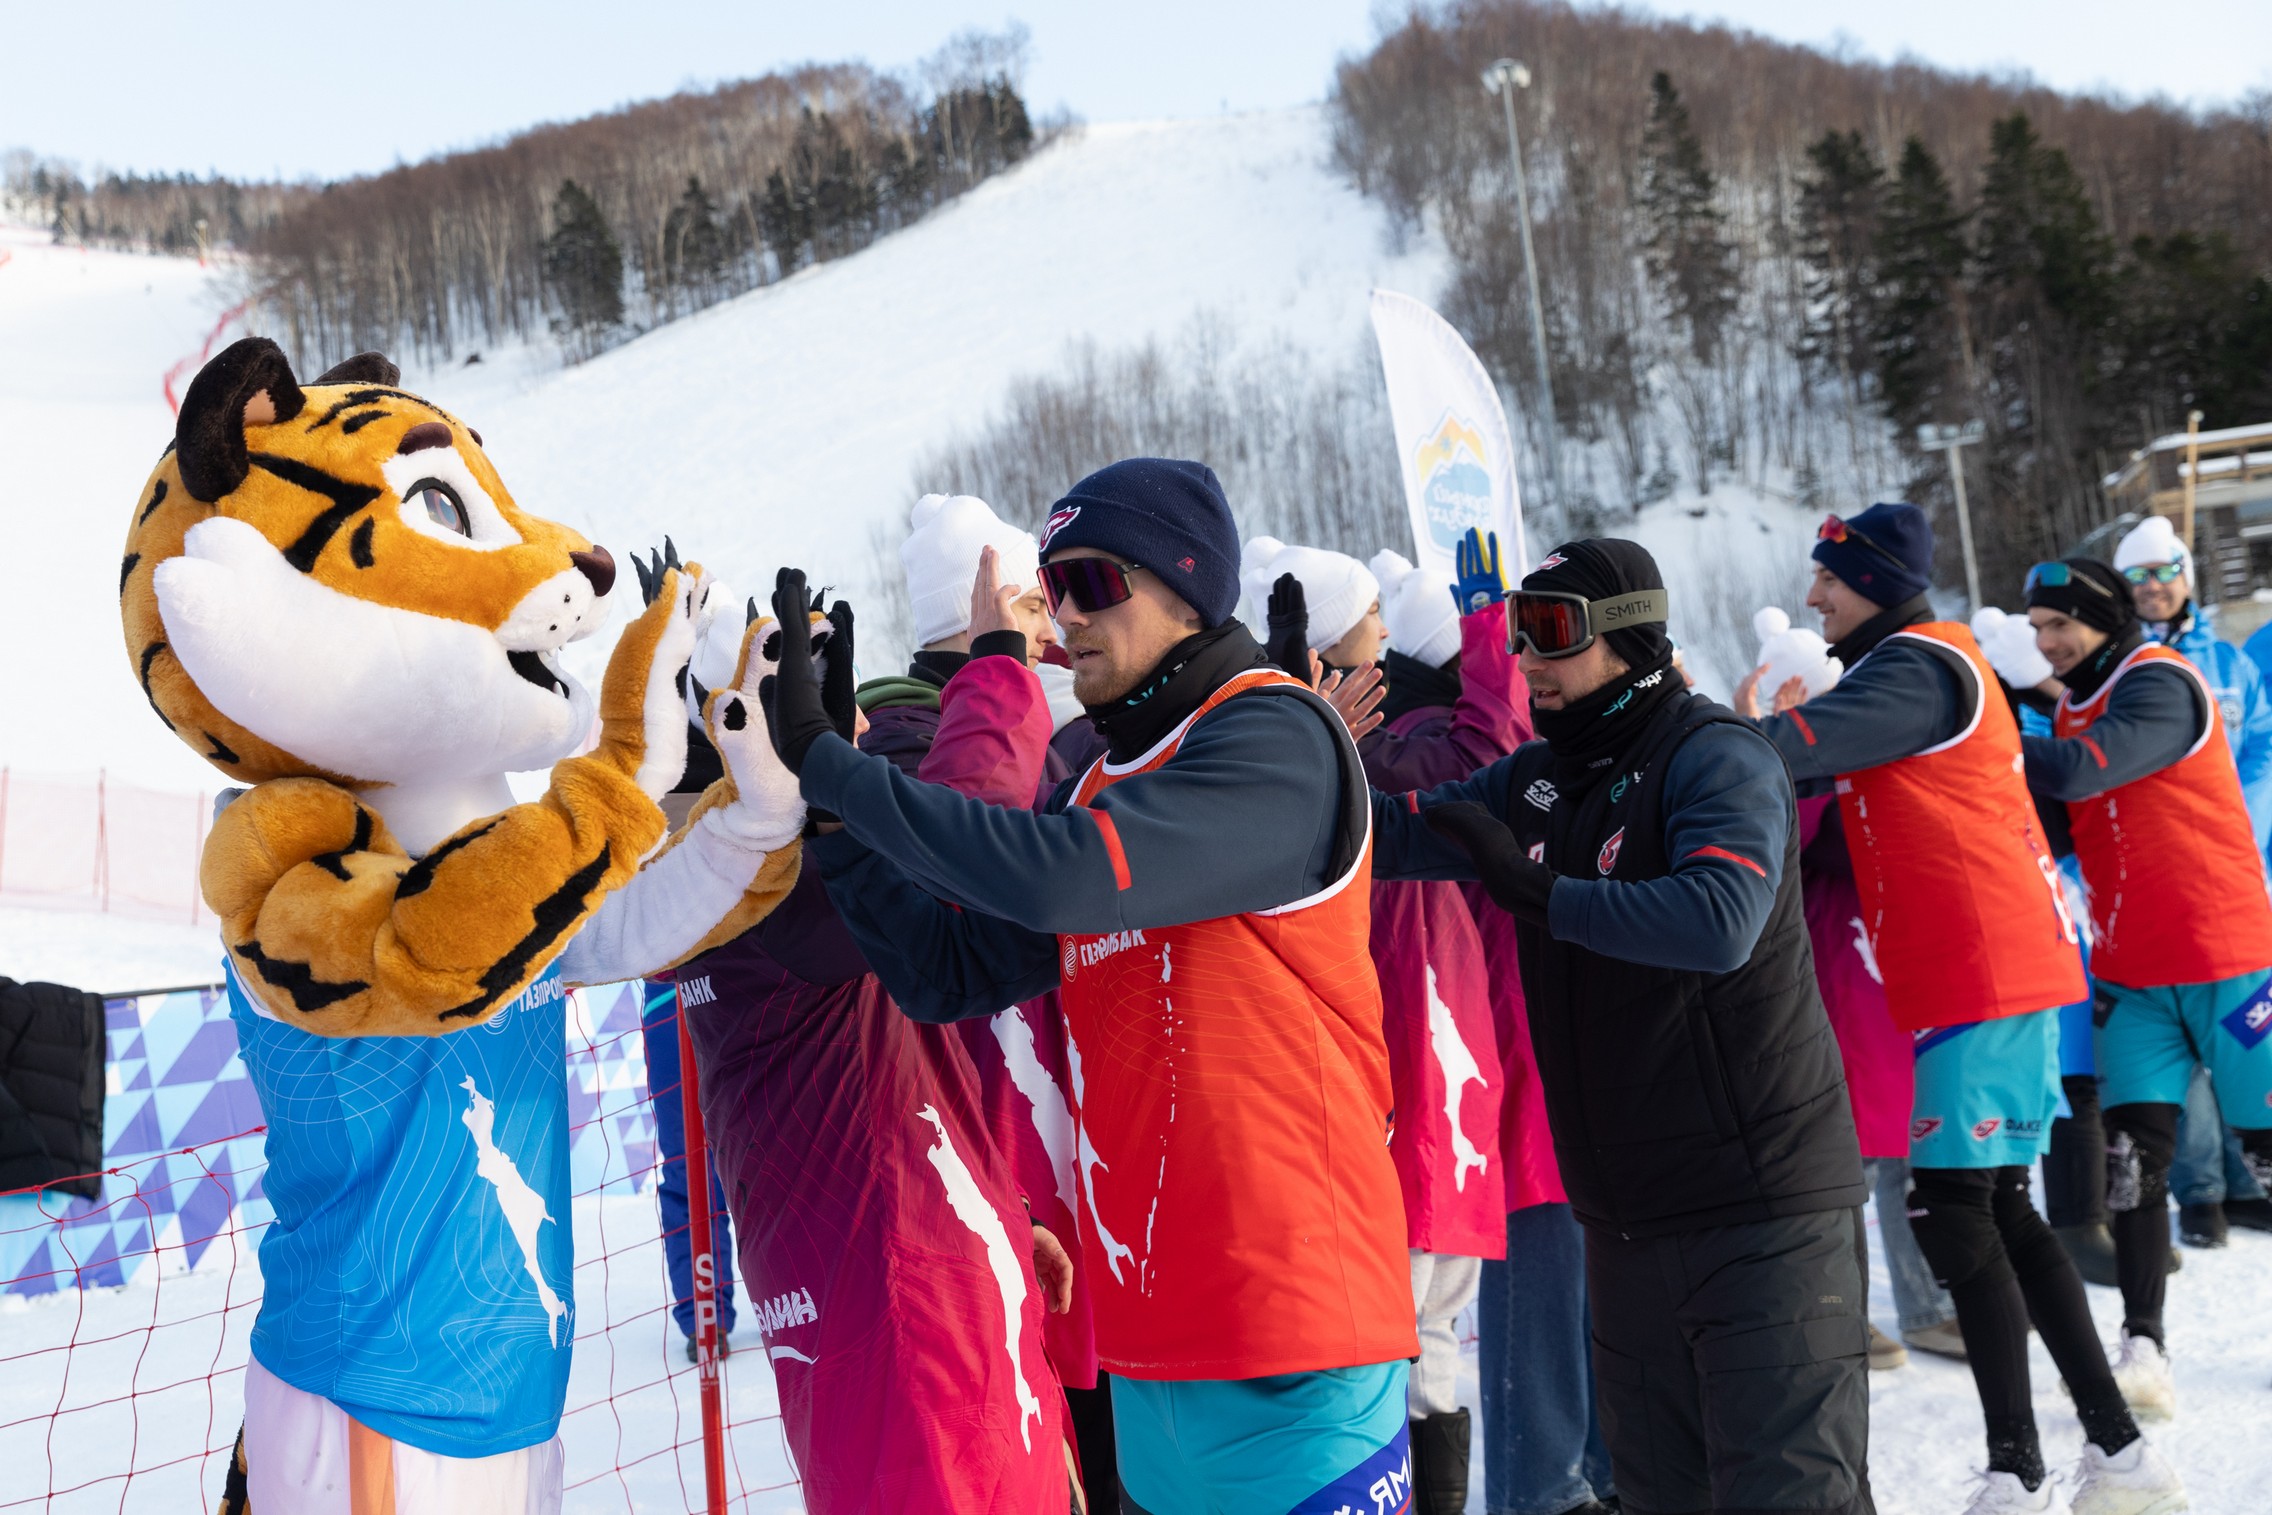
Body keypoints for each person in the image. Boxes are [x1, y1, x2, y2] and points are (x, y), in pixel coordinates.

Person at [782, 458, 1420, 1513]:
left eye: (1090, 581)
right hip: (1154, 1349)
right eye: (1052, 583)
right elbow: (948, 973)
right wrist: (837, 818)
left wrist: (840, 767)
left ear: (1184, 584)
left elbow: (1060, 875)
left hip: (1294, 1332)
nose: (1064, 613)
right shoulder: (1104, 778)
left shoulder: (1274, 736)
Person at [1369, 538, 1875, 1515]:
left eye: (1552, 632)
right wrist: (1280, 752)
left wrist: (1544, 894)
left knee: (1791, 1498)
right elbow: (1387, 837)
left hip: (1760, 1213)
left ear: (1631, 637)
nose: (1528, 658)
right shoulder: (1540, 778)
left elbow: (1716, 919)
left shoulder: (1716, 756)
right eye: (1519, 633)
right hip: (1627, 1224)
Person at [1732, 504, 2163, 1515]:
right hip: (1975, 976)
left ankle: (2025, 1471)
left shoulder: (1919, 667)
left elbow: (1798, 743)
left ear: (1875, 580)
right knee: (1993, 1208)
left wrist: (1713, 735)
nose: (1813, 596)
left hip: (1988, 974)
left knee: (1953, 1209)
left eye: (1828, 579)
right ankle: (2113, 1455)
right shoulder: (1914, 666)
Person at [670, 588, 1076, 1513]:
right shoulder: (777, 887)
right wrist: (997, 660)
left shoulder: (727, 884)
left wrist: (1001, 1217)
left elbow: (870, 1087)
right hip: (911, 1328)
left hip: (890, 1297)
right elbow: (962, 835)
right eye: (818, 707)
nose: (845, 729)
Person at [1259, 532, 1523, 1514]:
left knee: (1433, 1348)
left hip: (1440, 1080)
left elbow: (1492, 766)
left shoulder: (1389, 748)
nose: (1388, 631)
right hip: (1392, 1093)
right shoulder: (1373, 753)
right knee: (1394, 1345)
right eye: (1369, 615)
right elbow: (1490, 753)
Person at [2004, 557, 2272, 1428]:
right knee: (2133, 1165)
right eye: (2034, 629)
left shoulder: (2161, 681)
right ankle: (2145, 1346)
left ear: (2103, 619)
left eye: (2058, 626)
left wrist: (1989, 731)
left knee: (2267, 1156)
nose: (2046, 644)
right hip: (2133, 973)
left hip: (2228, 957)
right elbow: (2051, 808)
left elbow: (2084, 769)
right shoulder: (2077, 701)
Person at [2111, 514, 2272, 1246]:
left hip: (2235, 875)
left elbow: (2263, 749)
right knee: (2176, 1042)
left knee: (2241, 1037)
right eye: (2138, 577)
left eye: (2165, 570)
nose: (2155, 587)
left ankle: (2246, 1178)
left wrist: (2244, 829)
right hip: (2159, 884)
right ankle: (2200, 1187)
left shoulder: (2230, 662)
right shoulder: (2119, 665)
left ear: (2187, 571)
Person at [638, 979, 738, 1360]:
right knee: (689, 1167)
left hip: (749, 974)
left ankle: (807, 1303)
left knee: (777, 1155)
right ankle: (705, 1317)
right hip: (671, 993)